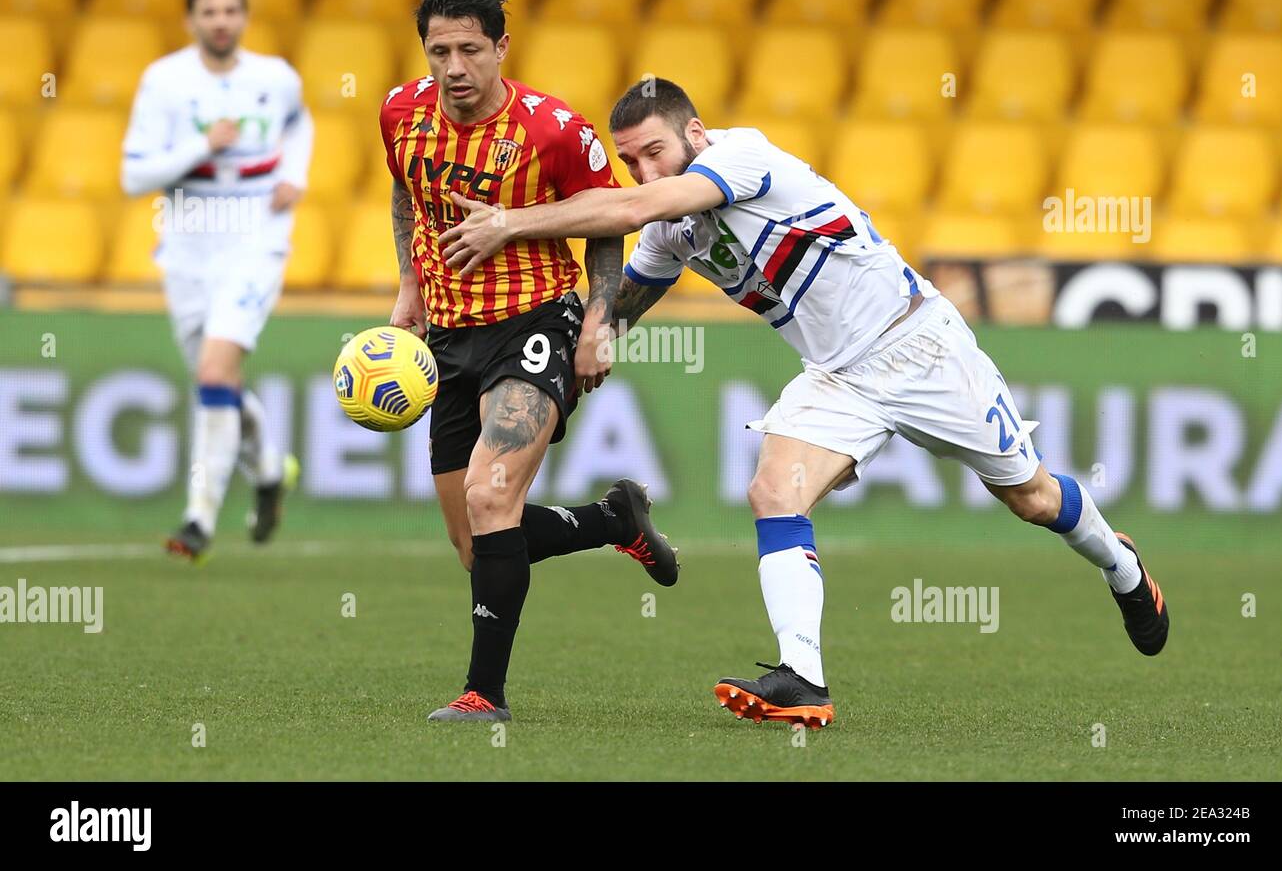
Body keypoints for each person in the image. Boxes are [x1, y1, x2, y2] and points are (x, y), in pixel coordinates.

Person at [436, 77, 1170, 729]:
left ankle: (1122, 567)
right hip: (838, 376)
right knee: (772, 488)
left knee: (1033, 498)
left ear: (695, 133)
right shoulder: (670, 225)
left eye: (653, 151)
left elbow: (632, 208)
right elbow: (633, 289)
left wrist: (511, 222)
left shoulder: (743, 157)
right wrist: (593, 336)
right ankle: (803, 680)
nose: (644, 169)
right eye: (630, 160)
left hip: (916, 345)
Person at [382, 0, 679, 723]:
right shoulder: (399, 113)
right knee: (475, 544)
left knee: (491, 498)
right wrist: (410, 286)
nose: (453, 67)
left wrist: (599, 321)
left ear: (500, 48)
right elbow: (407, 194)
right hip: (446, 337)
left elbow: (609, 221)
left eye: (469, 50)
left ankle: (485, 695)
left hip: (534, 321)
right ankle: (615, 522)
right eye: (439, 50)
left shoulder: (553, 129)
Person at [121, 0, 311, 562]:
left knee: (214, 371)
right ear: (192, 21)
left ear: (244, 16)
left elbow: (299, 122)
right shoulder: (165, 82)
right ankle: (270, 469)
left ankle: (199, 517)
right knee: (216, 381)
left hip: (255, 243)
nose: (221, 21)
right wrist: (203, 145)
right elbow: (133, 176)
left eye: (231, 10)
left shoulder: (275, 78)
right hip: (185, 249)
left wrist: (295, 175)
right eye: (210, 12)